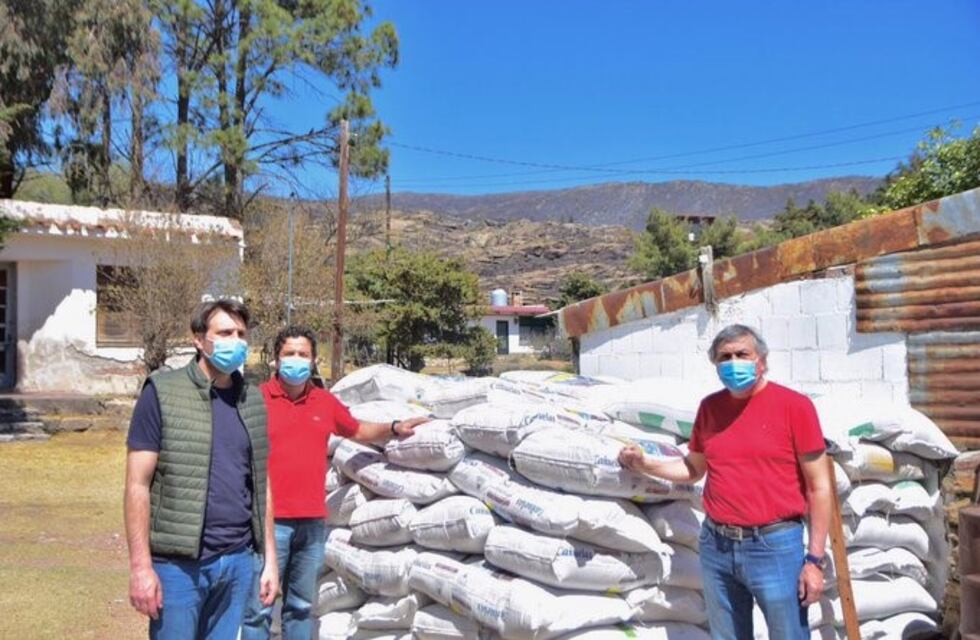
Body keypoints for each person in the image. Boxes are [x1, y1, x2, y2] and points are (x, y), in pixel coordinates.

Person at [619, 324, 832, 640]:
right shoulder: (710, 409)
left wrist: (814, 560)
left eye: (742, 354)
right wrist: (645, 463)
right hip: (717, 545)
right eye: (724, 357)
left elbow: (820, 487)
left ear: (762, 360)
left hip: (774, 546)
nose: (733, 362)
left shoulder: (794, 407)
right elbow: (693, 468)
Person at [241, 325, 430, 640]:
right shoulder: (256, 400)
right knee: (259, 608)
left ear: (314, 360)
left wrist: (395, 427)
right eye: (289, 354)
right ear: (275, 359)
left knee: (301, 606)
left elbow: (355, 429)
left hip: (313, 523)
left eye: (303, 354)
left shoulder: (323, 402)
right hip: (269, 524)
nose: (296, 360)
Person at [124, 300, 278, 640]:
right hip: (178, 567)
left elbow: (261, 485)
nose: (235, 341)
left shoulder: (251, 399)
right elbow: (137, 484)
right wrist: (140, 567)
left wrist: (269, 559)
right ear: (198, 339)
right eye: (224, 333)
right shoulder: (162, 393)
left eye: (240, 334)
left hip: (237, 561)